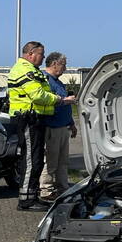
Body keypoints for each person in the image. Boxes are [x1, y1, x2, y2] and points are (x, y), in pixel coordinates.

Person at [8, 41, 76, 211]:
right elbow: (38, 95)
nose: (43, 57)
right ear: (31, 53)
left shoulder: (33, 71)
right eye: (41, 54)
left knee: (36, 160)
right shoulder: (24, 69)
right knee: (32, 161)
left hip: (36, 119)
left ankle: (31, 197)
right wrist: (60, 100)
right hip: (27, 118)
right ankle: (26, 201)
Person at [40, 52, 77, 201]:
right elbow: (47, 100)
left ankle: (63, 188)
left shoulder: (59, 82)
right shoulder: (45, 80)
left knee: (63, 161)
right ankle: (46, 190)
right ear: (54, 64)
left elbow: (64, 105)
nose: (65, 68)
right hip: (52, 127)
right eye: (63, 65)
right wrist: (65, 100)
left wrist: (72, 124)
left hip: (63, 127)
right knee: (51, 161)